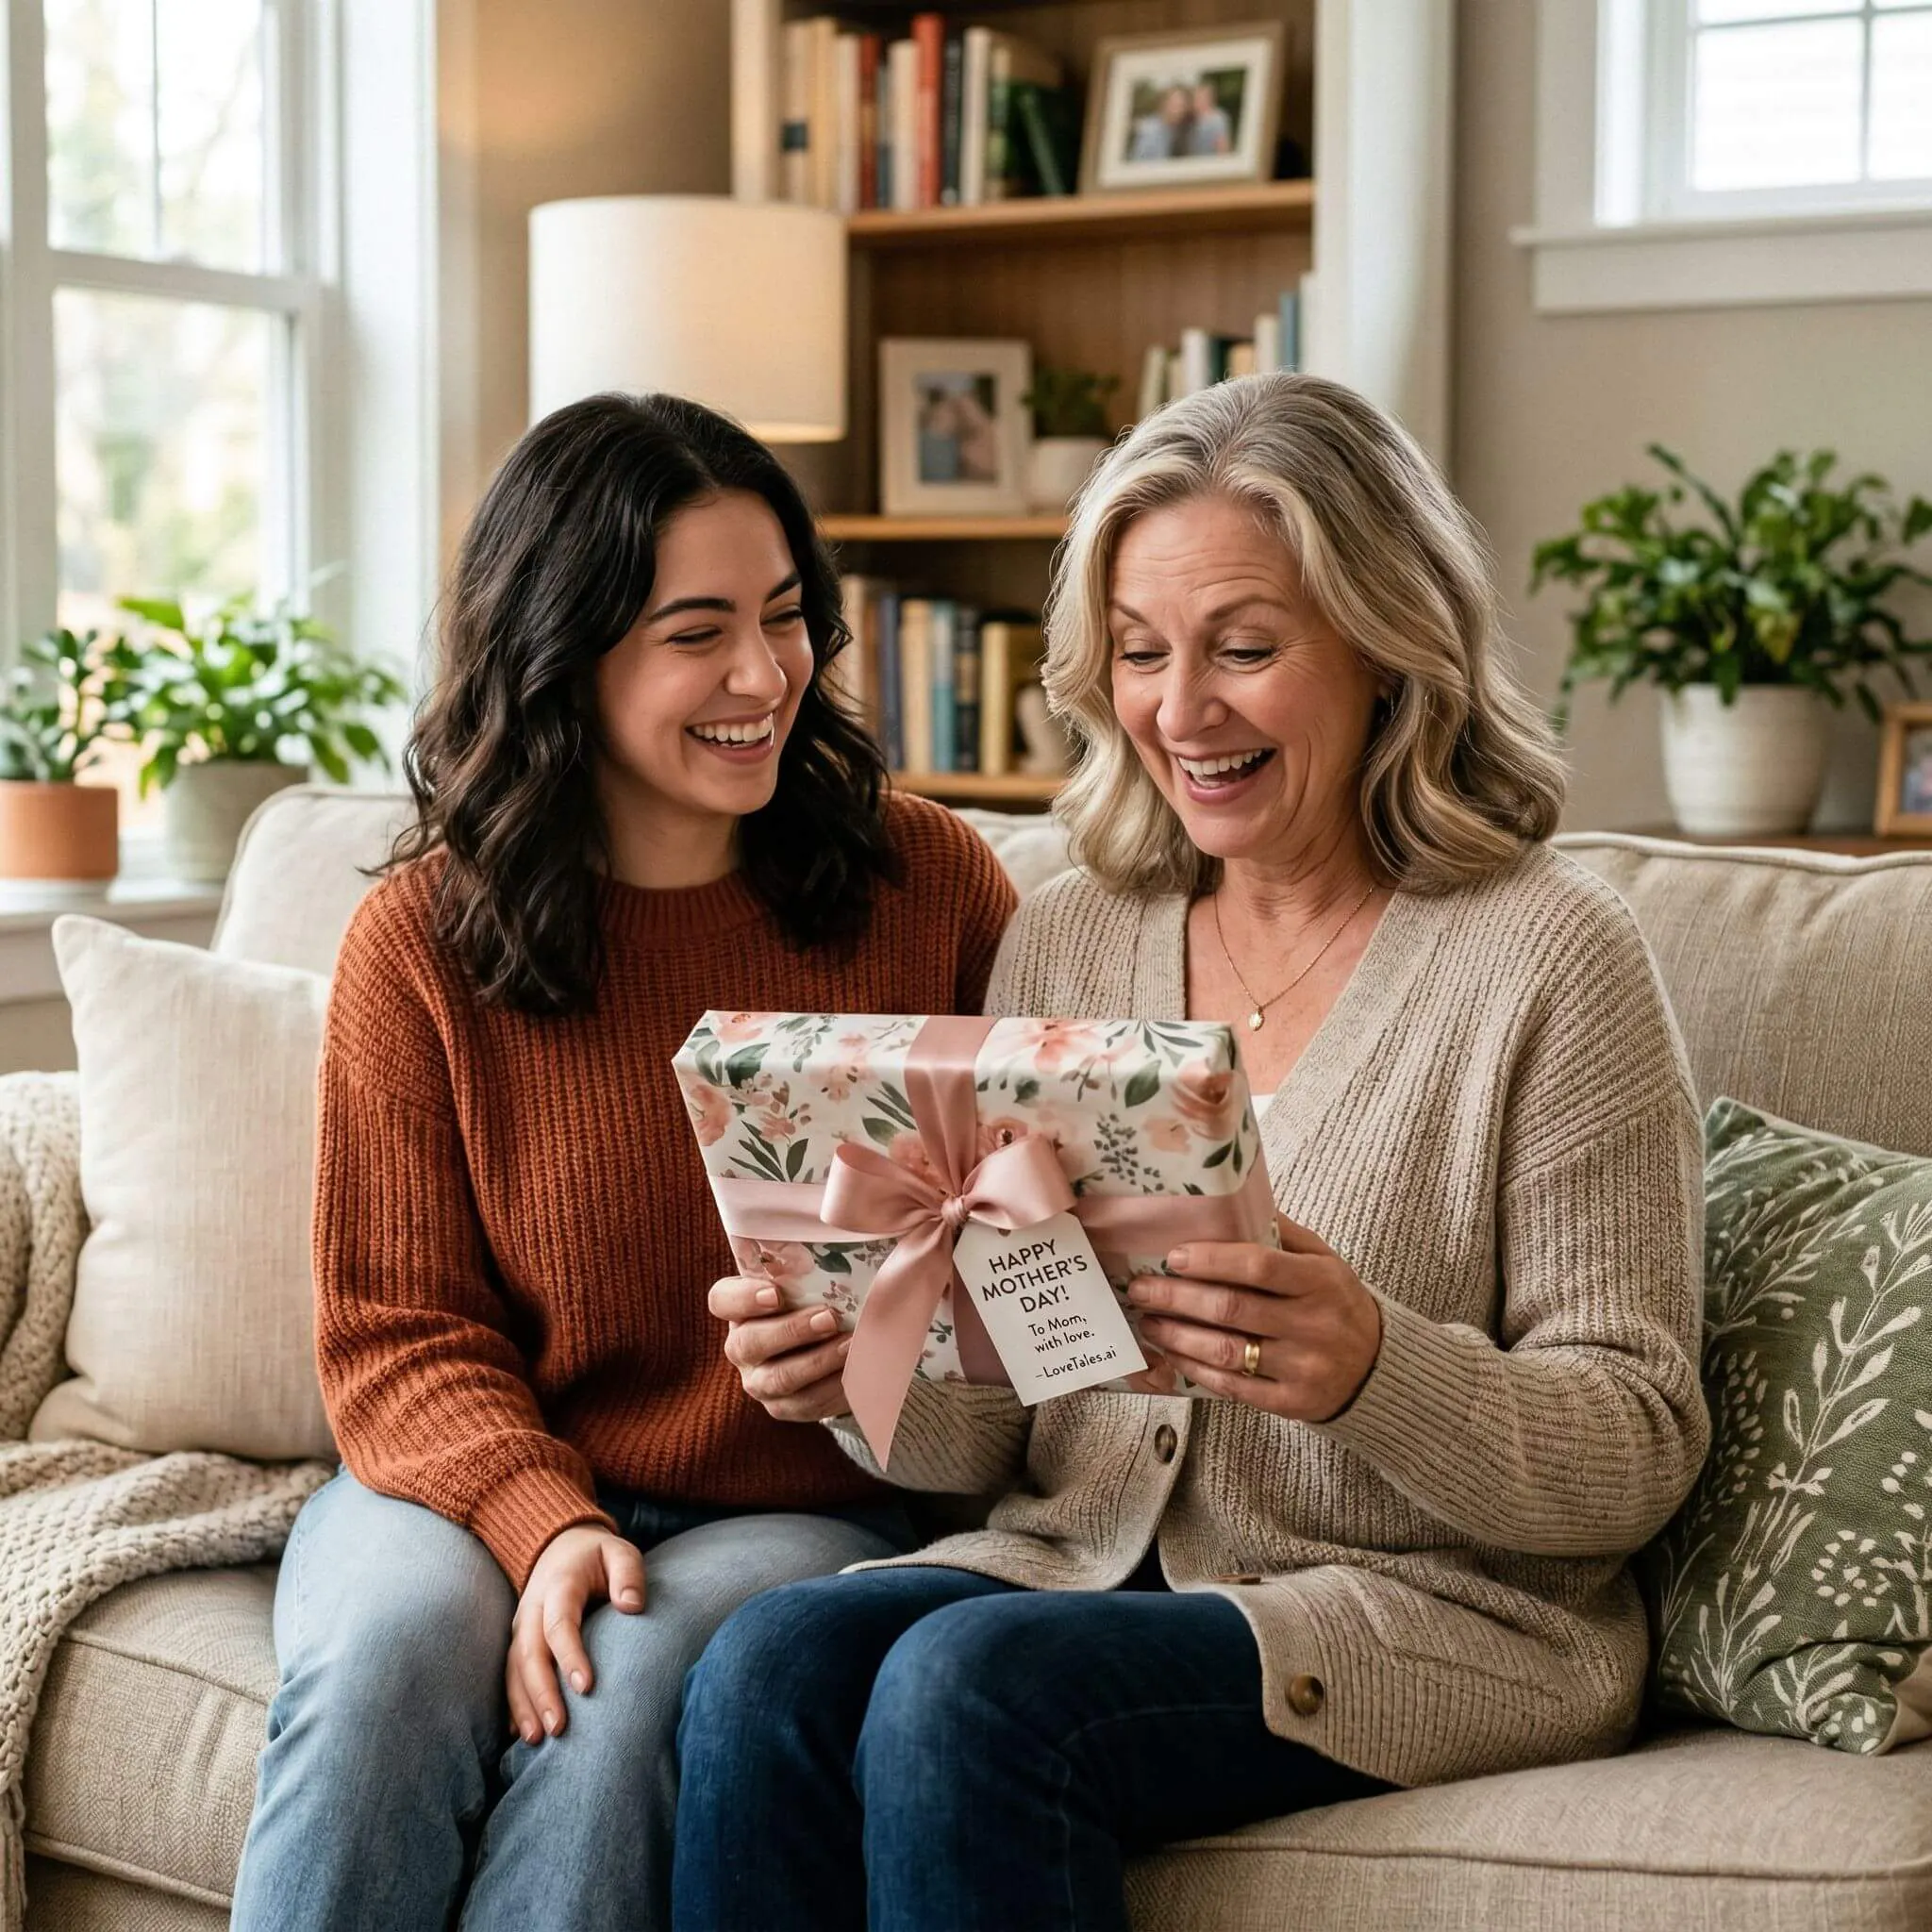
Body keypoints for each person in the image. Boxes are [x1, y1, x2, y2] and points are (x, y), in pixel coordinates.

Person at [678, 374, 1711, 1932]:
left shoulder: (1552, 958)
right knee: (763, 1660)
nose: (1181, 710)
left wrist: (1375, 1367)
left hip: (1433, 1614)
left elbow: (1635, 1442)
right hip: (1075, 1566)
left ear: (1383, 644)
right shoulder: (1070, 936)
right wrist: (862, 1365)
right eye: (1142, 654)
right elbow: (999, 1427)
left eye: (1243, 648)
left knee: (968, 1689)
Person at [228, 393, 1017, 1931]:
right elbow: (396, 1331)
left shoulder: (927, 888)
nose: (760, 676)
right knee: (388, 1656)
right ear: (563, 655)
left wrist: (889, 1340)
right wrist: (544, 1517)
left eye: (786, 618)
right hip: (468, 1484)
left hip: (802, 1497)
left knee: (627, 1679)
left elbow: (1028, 1260)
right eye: (694, 631)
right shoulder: (423, 940)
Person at [1183, 78, 1234, 156]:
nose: (1197, 101)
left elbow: (1223, 145)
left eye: (1201, 97)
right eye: (1195, 97)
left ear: (1209, 98)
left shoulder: (1217, 118)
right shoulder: (1191, 118)